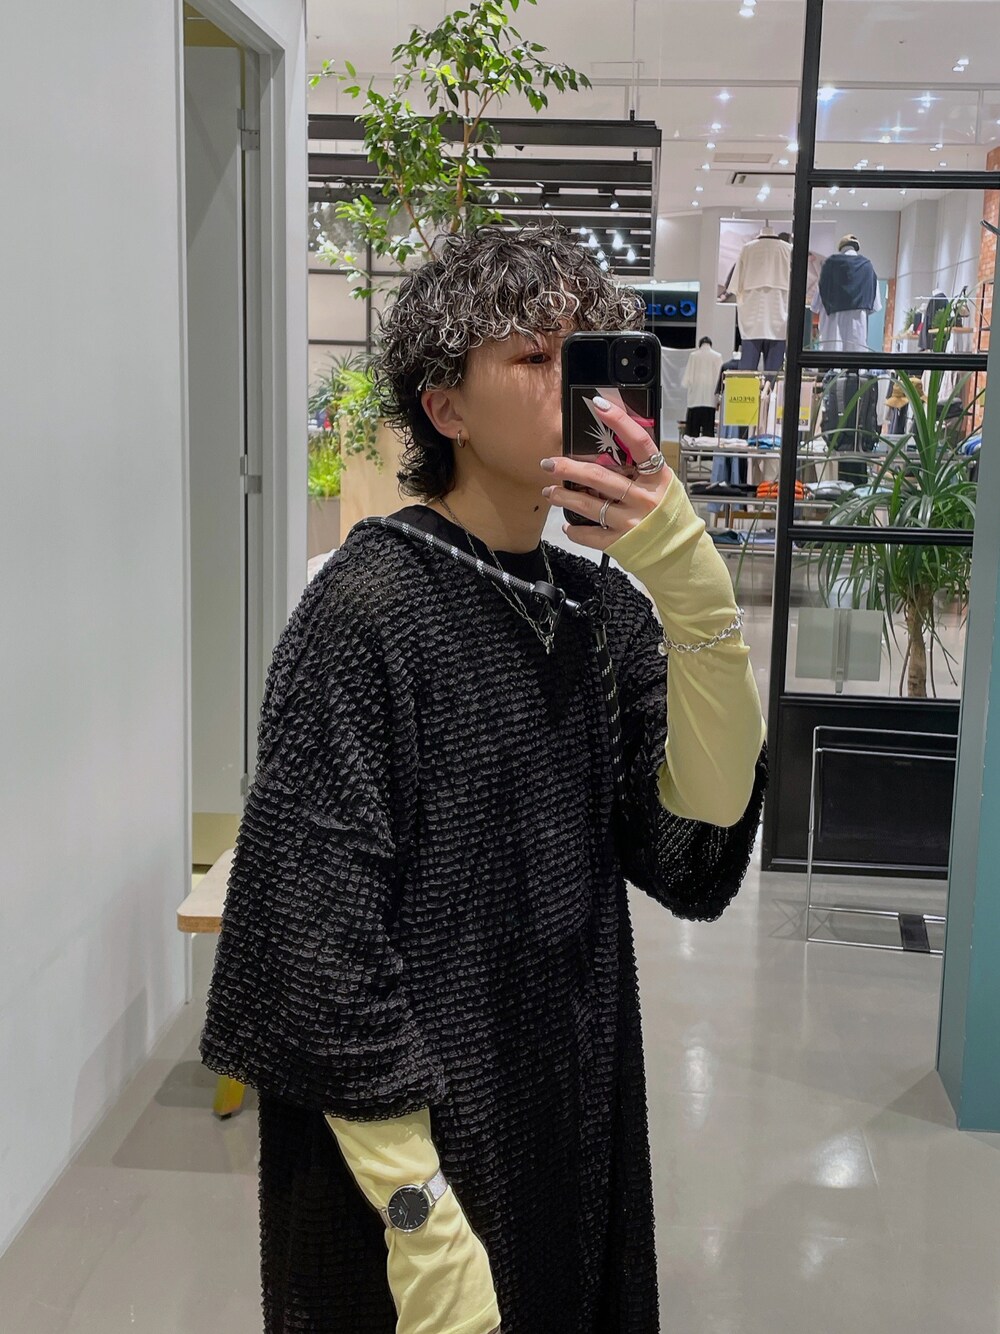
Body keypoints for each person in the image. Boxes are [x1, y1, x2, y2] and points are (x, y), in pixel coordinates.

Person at [200, 224, 767, 1334]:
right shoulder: (365, 610)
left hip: (563, 1106)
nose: (576, 387)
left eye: (586, 354)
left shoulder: (594, 606)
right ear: (446, 407)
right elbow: (317, 943)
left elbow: (695, 831)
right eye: (536, 356)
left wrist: (691, 589)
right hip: (407, 1164)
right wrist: (420, 1219)